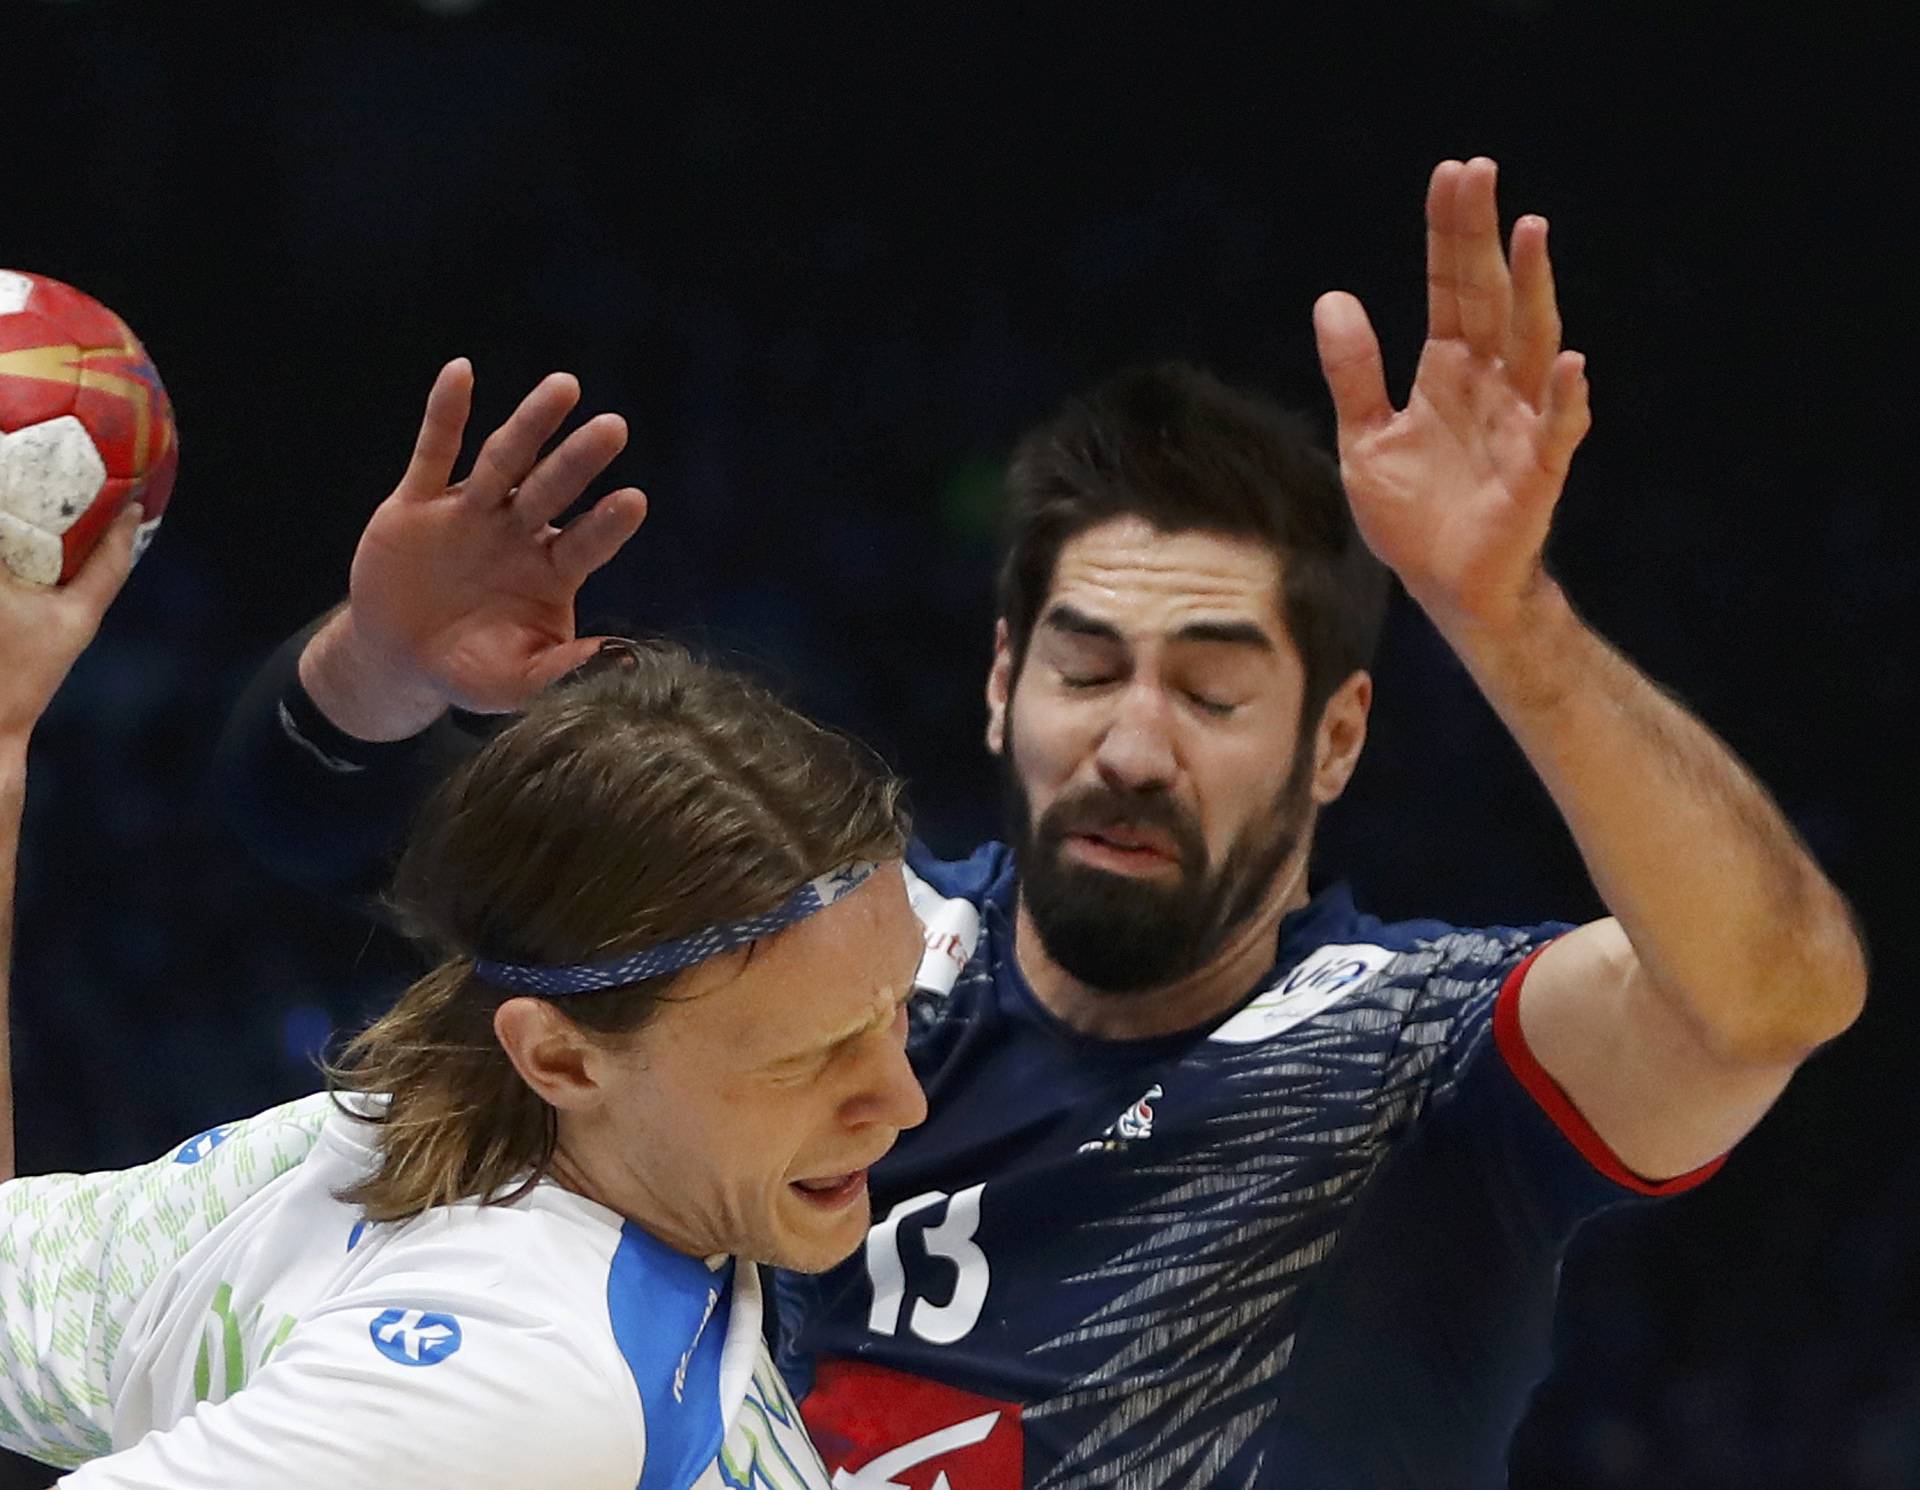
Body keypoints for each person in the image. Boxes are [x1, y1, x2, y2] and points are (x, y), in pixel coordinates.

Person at [215, 159, 1867, 1489]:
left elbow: (1772, 993)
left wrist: (1508, 621)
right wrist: (381, 668)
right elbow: (315, 835)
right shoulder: (817, 959)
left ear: (1337, 738)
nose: (1133, 744)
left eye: (1215, 695)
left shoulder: (1421, 1061)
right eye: (1087, 670)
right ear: (1002, 687)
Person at [1, 492, 929, 1486]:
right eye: (811, 1053)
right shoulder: (519, 1385)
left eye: (896, 1009)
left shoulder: (354, 1142)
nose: (904, 1097)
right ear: (562, 1055)